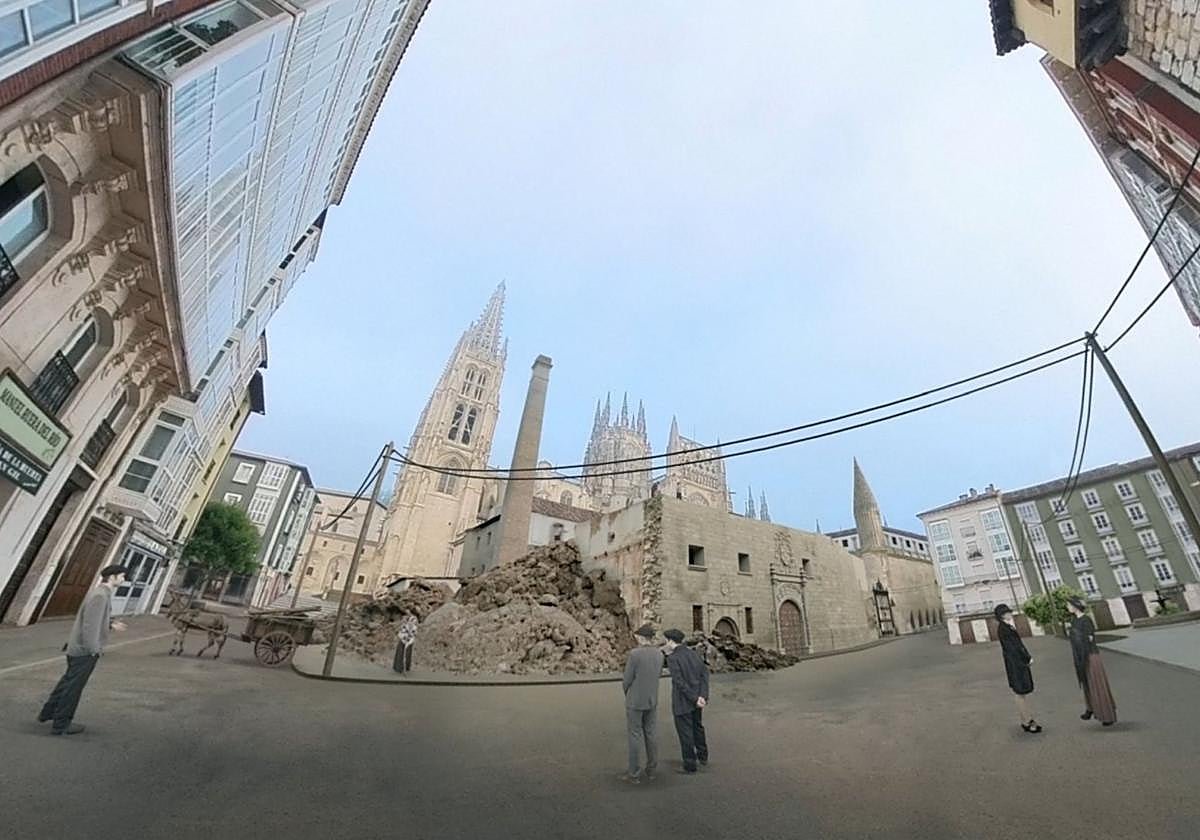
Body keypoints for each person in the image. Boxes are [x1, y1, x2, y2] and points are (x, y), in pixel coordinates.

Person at [38, 564, 128, 736]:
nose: (124, 580)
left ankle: (48, 712)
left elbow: (94, 619)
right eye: (122, 576)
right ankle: (61, 725)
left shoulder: (101, 593)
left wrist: (110, 624)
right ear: (112, 577)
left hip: (79, 648)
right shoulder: (100, 596)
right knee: (73, 688)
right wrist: (93, 649)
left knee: (67, 683)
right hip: (84, 650)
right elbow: (89, 626)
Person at [619, 623, 662, 785]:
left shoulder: (635, 654)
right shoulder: (659, 654)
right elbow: (657, 674)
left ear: (642, 638)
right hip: (652, 699)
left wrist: (627, 692)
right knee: (651, 734)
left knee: (635, 735)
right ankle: (651, 770)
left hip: (635, 701)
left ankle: (634, 773)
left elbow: (627, 679)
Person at [662, 628, 709, 774]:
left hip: (683, 701)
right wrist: (702, 696)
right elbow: (704, 675)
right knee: (697, 727)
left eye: (666, 641)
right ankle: (703, 756)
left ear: (670, 641)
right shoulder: (695, 654)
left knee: (685, 732)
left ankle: (690, 764)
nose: (666, 643)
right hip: (698, 699)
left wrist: (694, 698)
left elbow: (679, 682)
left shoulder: (672, 658)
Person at [1066, 596, 1117, 726]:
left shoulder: (1086, 620)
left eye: (1069, 605)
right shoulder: (1074, 620)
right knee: (1086, 682)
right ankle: (1091, 707)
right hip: (1080, 656)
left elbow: (1089, 638)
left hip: (1090, 655)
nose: (1068, 607)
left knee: (1096, 683)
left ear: (1076, 606)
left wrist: (1075, 634)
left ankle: (1106, 714)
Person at [995, 604, 1041, 734]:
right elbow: (1016, 647)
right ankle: (1028, 721)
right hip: (1016, 664)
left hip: (1015, 663)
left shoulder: (1005, 627)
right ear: (1002, 615)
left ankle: (1025, 721)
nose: (1010, 614)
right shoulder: (1005, 629)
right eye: (1007, 612)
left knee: (1020, 692)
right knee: (1020, 693)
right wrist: (1027, 658)